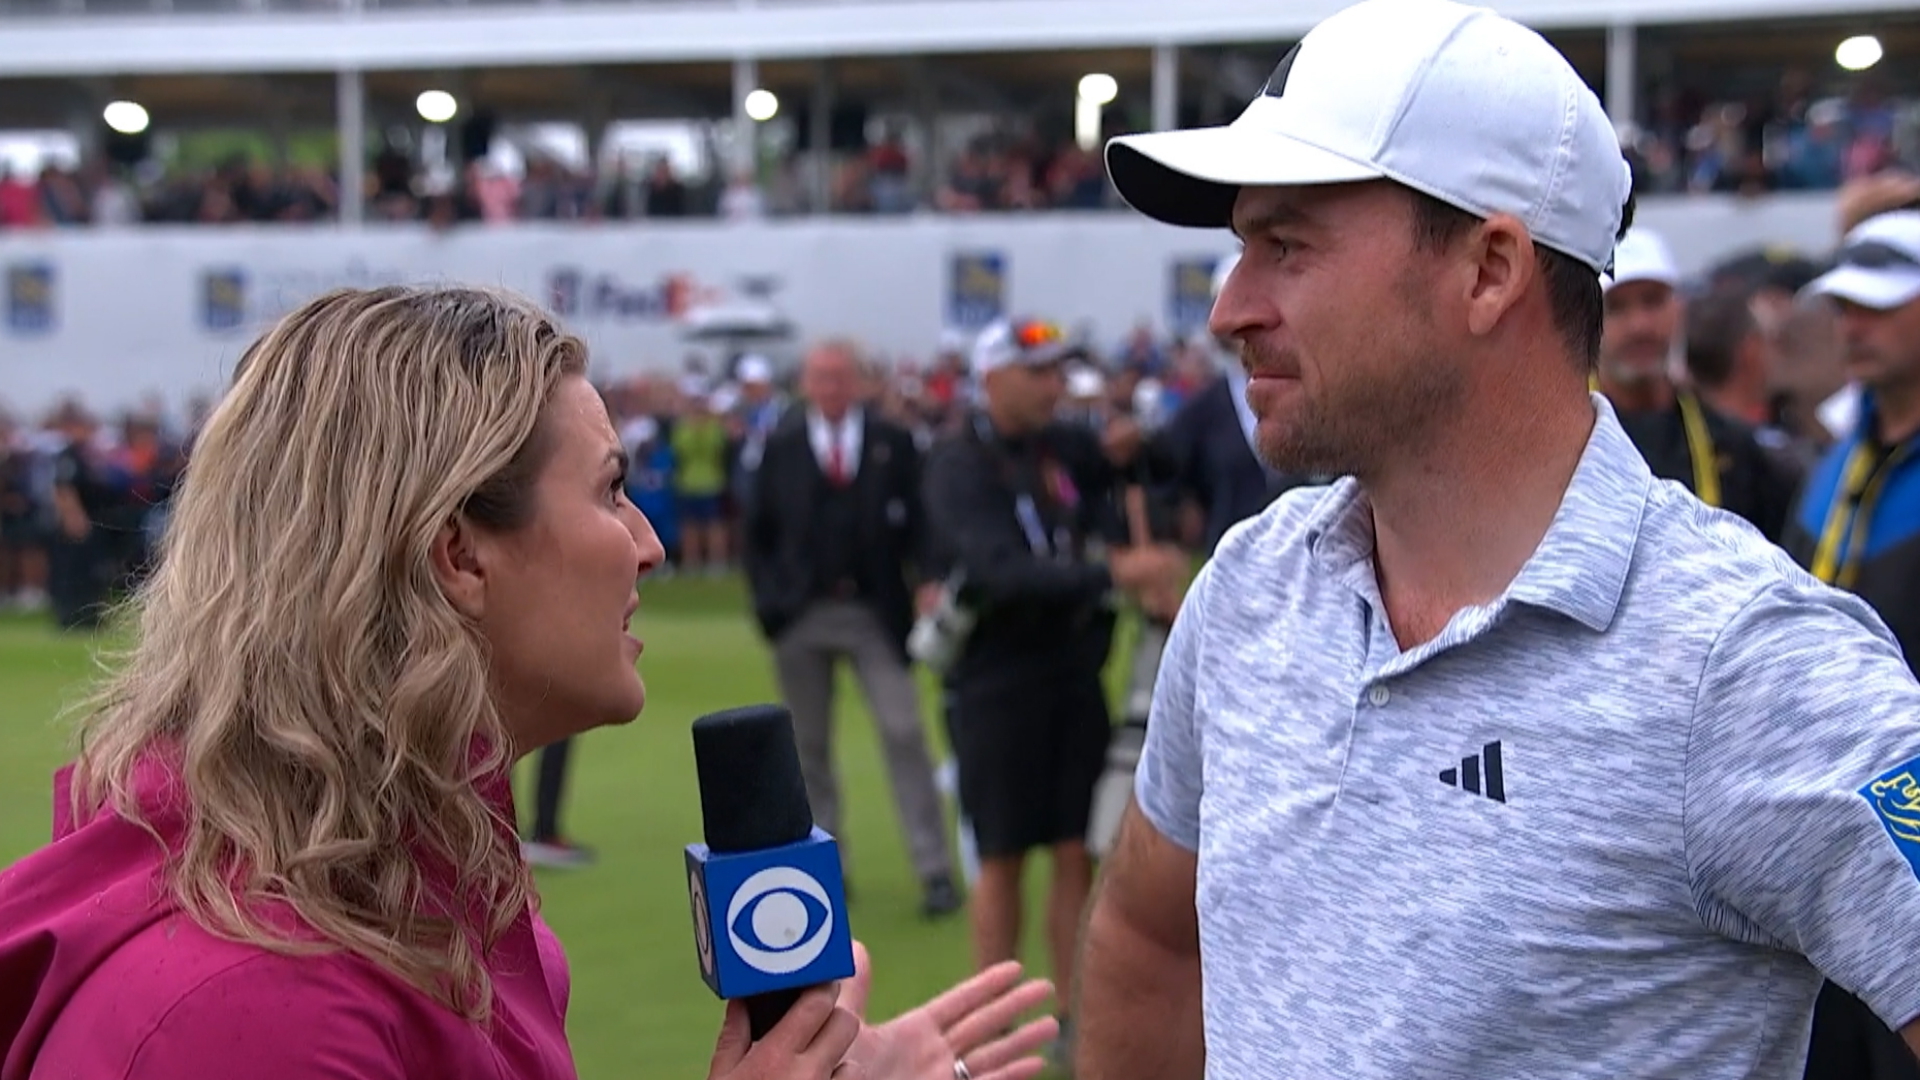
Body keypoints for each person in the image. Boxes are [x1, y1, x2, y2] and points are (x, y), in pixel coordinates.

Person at [1080, 2, 1920, 1078]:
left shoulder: (1743, 663)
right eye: (1244, 247)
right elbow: (1154, 940)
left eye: (1287, 244)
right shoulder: (1251, 589)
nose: (1229, 308)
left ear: (1488, 271)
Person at [0, 285, 1058, 1080]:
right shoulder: (256, 1009)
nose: (648, 545)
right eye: (609, 493)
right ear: (458, 554)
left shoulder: (423, 892)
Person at [922, 316, 1185, 1059]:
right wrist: (1114, 575)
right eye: (1035, 374)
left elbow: (1153, 472)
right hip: (995, 681)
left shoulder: (1061, 446)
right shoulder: (958, 463)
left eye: (1054, 375)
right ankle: (991, 1020)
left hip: (1074, 674)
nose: (1051, 388)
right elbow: (1001, 571)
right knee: (1002, 856)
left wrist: (1142, 445)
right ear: (992, 378)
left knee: (1078, 849)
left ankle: (1070, 1014)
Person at [744, 338, 962, 919]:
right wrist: (771, 605)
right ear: (807, 384)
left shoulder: (893, 443)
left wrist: (930, 578)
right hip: (802, 614)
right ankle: (828, 870)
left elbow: (923, 521)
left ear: (860, 382)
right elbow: (757, 531)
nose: (831, 388)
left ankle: (934, 868)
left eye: (841, 377)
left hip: (874, 611)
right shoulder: (784, 444)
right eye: (821, 377)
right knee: (809, 748)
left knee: (904, 731)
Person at [1787, 209, 1920, 1080]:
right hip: (1823, 853)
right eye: (1845, 307)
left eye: (1879, 305)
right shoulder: (1831, 465)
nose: (1853, 325)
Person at [1596, 227, 1801, 543]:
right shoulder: (1559, 444)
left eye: (1652, 302)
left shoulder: (1739, 451)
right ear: (1588, 317)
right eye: (1617, 308)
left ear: (1679, 308)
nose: (1640, 325)